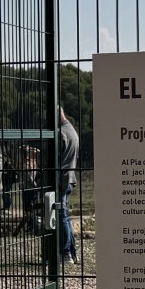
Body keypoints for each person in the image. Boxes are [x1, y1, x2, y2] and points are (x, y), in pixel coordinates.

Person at [56, 104, 80, 264]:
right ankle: (71, 251)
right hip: (70, 177)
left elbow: (55, 158)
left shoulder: (60, 133)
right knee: (65, 216)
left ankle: (66, 253)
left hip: (61, 179)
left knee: (61, 216)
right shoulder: (72, 131)